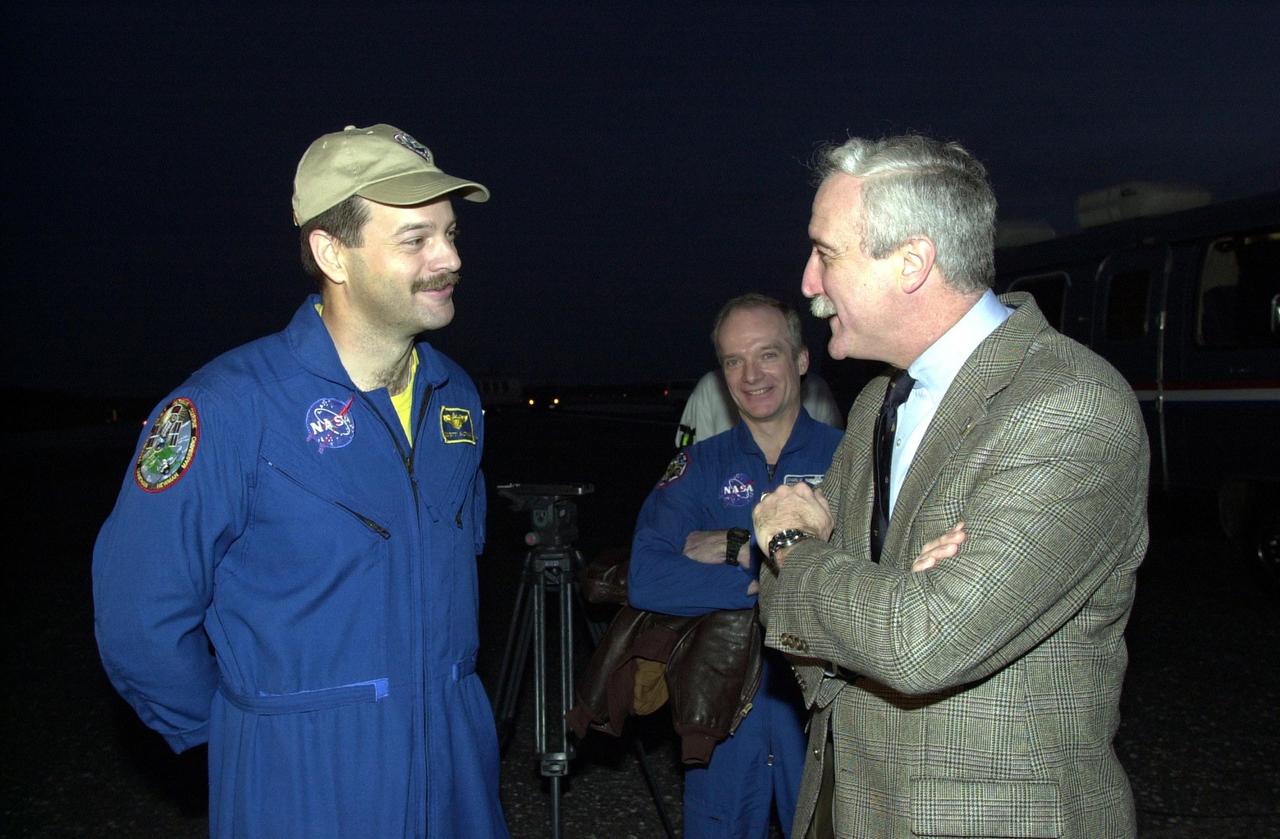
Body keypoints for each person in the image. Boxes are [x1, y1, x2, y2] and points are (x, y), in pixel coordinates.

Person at [92, 124, 509, 838]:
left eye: (450, 233)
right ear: (331, 253)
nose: (451, 259)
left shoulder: (457, 399)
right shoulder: (227, 409)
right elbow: (140, 620)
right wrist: (248, 732)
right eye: (416, 240)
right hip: (304, 782)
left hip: (456, 771)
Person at [752, 135, 1148, 838]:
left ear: (912, 262)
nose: (808, 282)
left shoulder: (1068, 406)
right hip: (852, 808)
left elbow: (920, 642)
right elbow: (790, 609)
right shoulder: (878, 402)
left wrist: (792, 544)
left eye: (827, 253)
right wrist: (882, 597)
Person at [627, 294, 845, 837]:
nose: (751, 375)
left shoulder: (848, 459)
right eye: (733, 361)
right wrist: (762, 570)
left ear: (799, 359)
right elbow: (648, 575)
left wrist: (737, 546)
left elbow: (874, 575)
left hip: (821, 712)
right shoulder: (700, 466)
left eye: (768, 355)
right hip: (723, 712)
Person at [675, 367, 844, 448]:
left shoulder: (818, 390)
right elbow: (688, 455)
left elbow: (838, 458)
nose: (751, 376)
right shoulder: (710, 387)